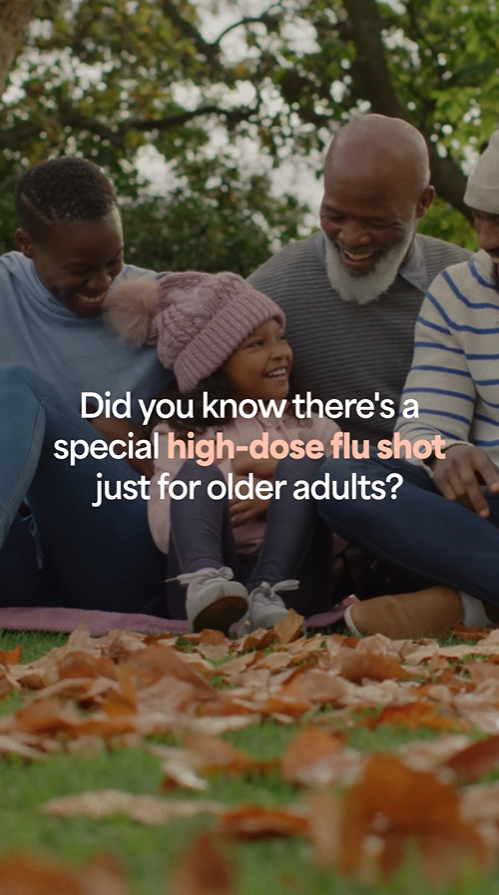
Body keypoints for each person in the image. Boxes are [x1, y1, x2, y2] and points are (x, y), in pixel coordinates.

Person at [316, 129, 499, 639]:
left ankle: (469, 602)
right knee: (341, 476)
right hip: (484, 511)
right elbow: (422, 422)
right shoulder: (460, 290)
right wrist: (443, 450)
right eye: (480, 220)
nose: (485, 242)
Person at [105, 271, 341, 633]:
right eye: (256, 344)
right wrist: (231, 470)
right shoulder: (177, 433)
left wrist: (277, 496)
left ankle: (266, 595)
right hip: (208, 584)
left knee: (309, 463)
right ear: (214, 366)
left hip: (291, 589)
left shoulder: (312, 425)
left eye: (280, 337)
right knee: (198, 472)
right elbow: (164, 531)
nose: (280, 351)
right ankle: (207, 585)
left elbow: (353, 515)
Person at [0, 156, 173, 611]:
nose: (102, 282)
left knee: (21, 386)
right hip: (22, 556)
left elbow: (227, 436)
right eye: (80, 268)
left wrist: (128, 442)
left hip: (121, 554)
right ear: (27, 245)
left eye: (113, 260)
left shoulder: (166, 305)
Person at [248, 114, 471, 443]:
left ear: (423, 203)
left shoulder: (471, 286)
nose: (352, 239)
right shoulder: (266, 298)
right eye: (334, 216)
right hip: (331, 483)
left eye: (376, 222)